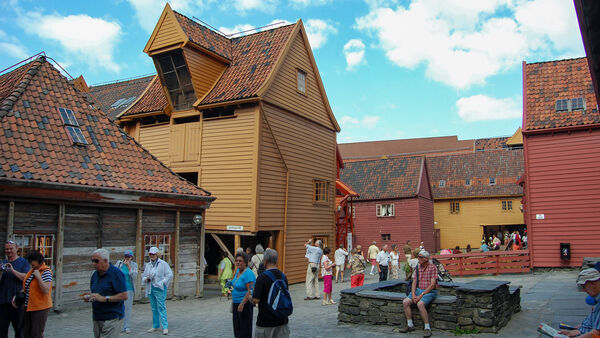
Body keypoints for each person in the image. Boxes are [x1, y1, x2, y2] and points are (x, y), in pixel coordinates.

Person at [85, 248, 128, 338]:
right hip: (97, 317)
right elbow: (97, 293)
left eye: (96, 261)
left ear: (105, 260)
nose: (94, 264)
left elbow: (124, 295)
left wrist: (104, 298)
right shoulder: (95, 275)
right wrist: (90, 297)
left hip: (112, 318)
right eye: (92, 261)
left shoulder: (116, 273)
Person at [12, 251, 52, 338]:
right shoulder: (32, 271)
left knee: (36, 333)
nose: (30, 263)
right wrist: (17, 297)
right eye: (29, 261)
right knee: (26, 332)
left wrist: (38, 277)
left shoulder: (46, 272)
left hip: (40, 307)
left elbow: (46, 290)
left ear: (39, 260)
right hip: (29, 306)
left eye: (32, 260)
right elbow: (28, 287)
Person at [252, 249, 290, 338]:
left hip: (265, 321)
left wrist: (250, 296)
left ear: (265, 261)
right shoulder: (283, 276)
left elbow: (255, 300)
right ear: (276, 261)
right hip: (282, 320)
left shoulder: (261, 278)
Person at [400, 250, 438, 338]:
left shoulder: (432, 267)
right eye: (418, 257)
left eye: (420, 257)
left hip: (429, 291)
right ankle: (410, 325)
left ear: (426, 258)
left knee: (420, 304)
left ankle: (427, 327)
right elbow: (414, 282)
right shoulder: (418, 267)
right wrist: (413, 294)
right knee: (405, 302)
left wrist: (421, 295)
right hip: (419, 289)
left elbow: (432, 285)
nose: (418, 258)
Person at [557, 268, 600, 337]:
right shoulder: (597, 300)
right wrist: (574, 331)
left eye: (584, 286)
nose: (583, 290)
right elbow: (591, 325)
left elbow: (596, 333)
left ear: (593, 284)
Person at [1, 240, 30, 338]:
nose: (8, 251)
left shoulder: (23, 262)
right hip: (3, 302)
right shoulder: (3, 263)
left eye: (11, 248)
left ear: (16, 248)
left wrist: (12, 270)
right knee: (2, 330)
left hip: (17, 302)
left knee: (19, 330)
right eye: (6, 249)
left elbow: (25, 278)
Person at [142, 247, 173, 335]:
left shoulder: (163, 264)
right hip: (150, 287)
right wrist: (145, 279)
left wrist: (162, 282)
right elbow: (143, 275)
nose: (152, 256)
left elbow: (169, 275)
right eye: (150, 254)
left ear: (157, 255)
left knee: (161, 307)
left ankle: (165, 326)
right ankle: (155, 325)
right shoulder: (148, 265)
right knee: (154, 307)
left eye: (153, 254)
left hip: (159, 288)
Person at [230, 252, 255, 338]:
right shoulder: (237, 271)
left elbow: (250, 291)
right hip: (236, 303)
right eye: (236, 260)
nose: (238, 262)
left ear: (245, 262)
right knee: (237, 328)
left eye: (240, 261)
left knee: (245, 329)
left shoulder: (248, 274)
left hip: (245, 304)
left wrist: (242, 304)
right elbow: (234, 282)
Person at [115, 250, 138, 334]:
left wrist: (129, 267)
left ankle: (127, 326)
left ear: (132, 257)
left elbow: (134, 276)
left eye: (129, 256)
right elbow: (115, 274)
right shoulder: (119, 263)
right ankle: (118, 326)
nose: (127, 258)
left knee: (127, 308)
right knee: (118, 307)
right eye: (126, 256)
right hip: (119, 289)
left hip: (129, 288)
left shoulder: (134, 265)